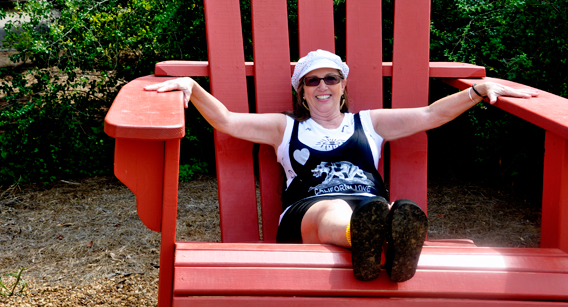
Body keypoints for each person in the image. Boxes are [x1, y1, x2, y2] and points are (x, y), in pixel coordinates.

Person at [144, 49, 539, 282]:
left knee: (382, 209)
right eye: (311, 81)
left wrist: (475, 92)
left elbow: (430, 114)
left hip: (368, 202)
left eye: (330, 79)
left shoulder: (369, 122)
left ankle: (379, 244)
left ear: (343, 85)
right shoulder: (284, 127)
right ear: (301, 91)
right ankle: (377, 240)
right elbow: (227, 120)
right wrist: (192, 88)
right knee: (343, 209)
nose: (322, 87)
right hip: (308, 212)